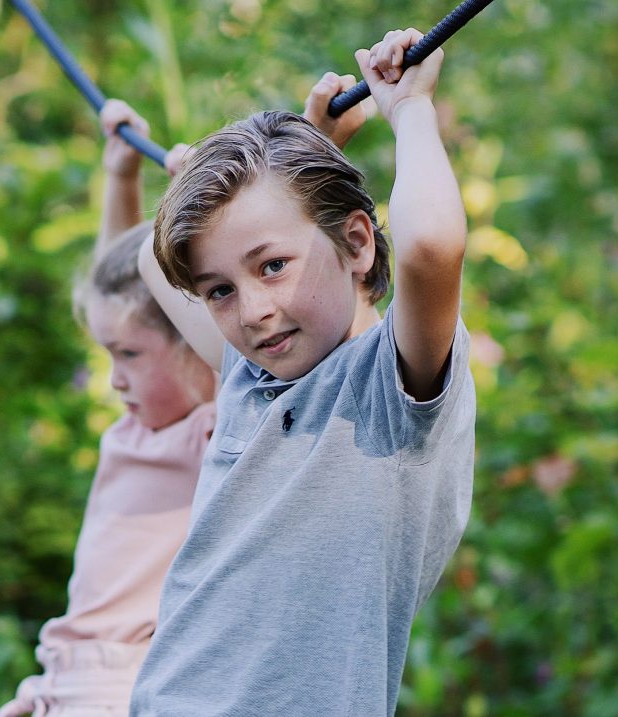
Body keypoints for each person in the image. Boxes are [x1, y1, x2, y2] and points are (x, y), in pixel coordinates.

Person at [130, 29, 476, 716]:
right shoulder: (249, 375)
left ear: (357, 242)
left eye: (272, 265)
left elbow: (432, 245)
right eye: (221, 290)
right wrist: (309, 151)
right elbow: (153, 260)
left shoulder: (390, 387)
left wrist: (409, 108)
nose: (253, 311)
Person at [0, 101, 217, 717]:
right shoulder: (140, 427)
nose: (115, 379)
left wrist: (197, 210)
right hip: (59, 682)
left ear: (193, 342)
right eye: (108, 354)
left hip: (121, 688)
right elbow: (119, 285)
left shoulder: (210, 434)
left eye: (130, 356)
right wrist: (122, 176)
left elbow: (183, 311)